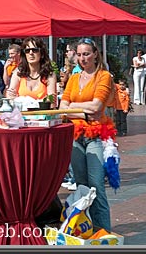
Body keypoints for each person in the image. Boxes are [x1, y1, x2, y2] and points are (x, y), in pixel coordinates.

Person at [59, 37, 116, 231]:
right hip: (75, 136)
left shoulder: (104, 76)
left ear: (95, 55)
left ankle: (103, 231)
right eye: (79, 54)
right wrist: (82, 109)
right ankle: (86, 229)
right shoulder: (74, 78)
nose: (83, 58)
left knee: (96, 185)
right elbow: (62, 108)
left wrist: (72, 107)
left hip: (96, 135)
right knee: (81, 185)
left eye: (86, 54)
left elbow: (98, 107)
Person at [6, 37, 57, 105]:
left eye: (34, 50)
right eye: (27, 50)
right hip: (21, 114)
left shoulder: (49, 74)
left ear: (41, 53)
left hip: (43, 114)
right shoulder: (18, 73)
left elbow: (51, 101)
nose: (31, 53)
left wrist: (26, 102)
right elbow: (10, 96)